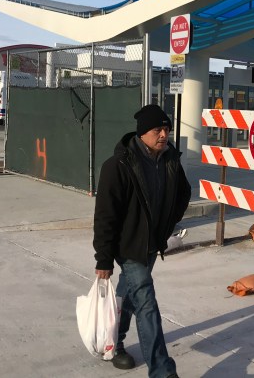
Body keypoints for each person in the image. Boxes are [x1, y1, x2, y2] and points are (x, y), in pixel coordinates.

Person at [93, 104, 191, 378]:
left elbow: (183, 192)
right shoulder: (118, 165)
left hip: (152, 244)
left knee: (129, 297)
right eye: (158, 129)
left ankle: (113, 343)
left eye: (167, 129)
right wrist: (103, 258)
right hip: (129, 247)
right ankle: (162, 372)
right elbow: (105, 215)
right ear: (142, 132)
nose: (164, 134)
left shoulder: (169, 159)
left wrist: (168, 224)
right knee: (146, 302)